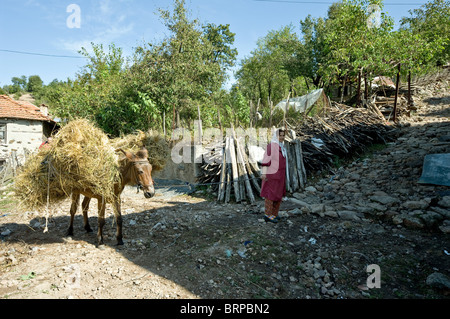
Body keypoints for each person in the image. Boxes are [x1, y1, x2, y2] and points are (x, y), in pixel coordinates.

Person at [260, 128, 287, 223]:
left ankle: (274, 214)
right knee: (270, 195)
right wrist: (263, 173)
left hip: (280, 176)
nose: (282, 137)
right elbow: (265, 160)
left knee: (278, 195)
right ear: (276, 136)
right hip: (271, 176)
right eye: (280, 135)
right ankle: (268, 215)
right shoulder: (271, 146)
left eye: (283, 135)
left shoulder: (282, 148)